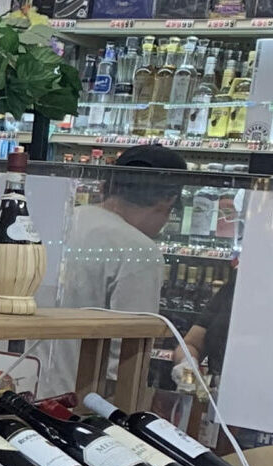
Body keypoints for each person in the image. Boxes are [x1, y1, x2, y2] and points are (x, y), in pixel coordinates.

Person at [40, 143, 188, 394]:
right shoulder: (139, 250)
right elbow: (127, 358)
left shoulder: (58, 223)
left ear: (106, 187)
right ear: (167, 201)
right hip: (76, 405)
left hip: (16, 385)